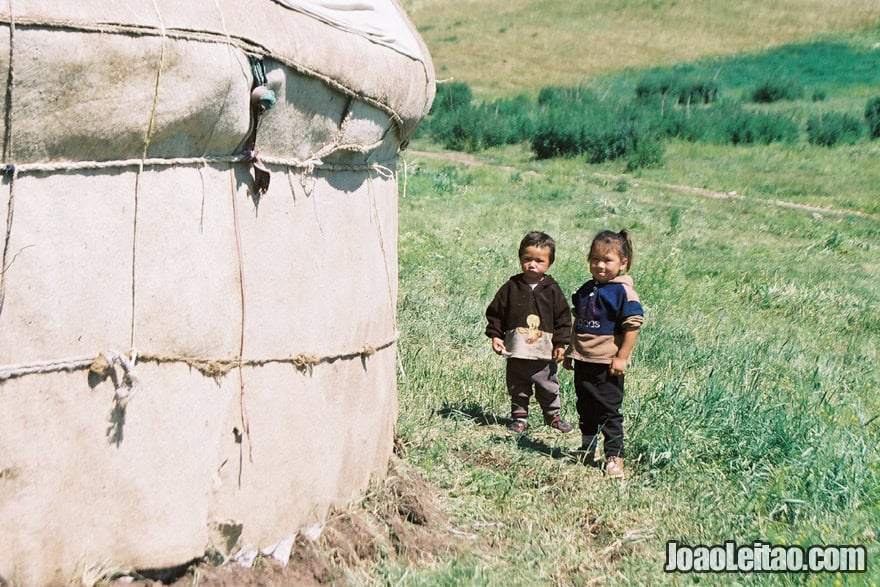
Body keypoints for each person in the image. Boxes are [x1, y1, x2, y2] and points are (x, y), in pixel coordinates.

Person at [564, 230, 644, 479]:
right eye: (595, 259)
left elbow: (633, 325)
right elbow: (578, 321)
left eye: (607, 260)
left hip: (607, 364)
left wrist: (622, 357)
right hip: (584, 360)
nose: (600, 265)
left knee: (609, 411)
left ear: (623, 263)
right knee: (585, 406)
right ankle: (588, 448)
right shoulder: (588, 288)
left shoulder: (623, 293)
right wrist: (570, 350)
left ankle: (614, 457)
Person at [486, 231, 574, 434]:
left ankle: (553, 416)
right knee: (518, 384)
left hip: (544, 351)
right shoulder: (511, 287)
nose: (532, 264)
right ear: (520, 258)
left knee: (548, 384)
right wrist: (496, 335)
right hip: (517, 349)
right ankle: (519, 417)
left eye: (539, 260)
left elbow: (563, 318)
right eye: (527, 259)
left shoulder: (552, 290)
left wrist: (561, 344)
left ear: (549, 263)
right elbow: (496, 313)